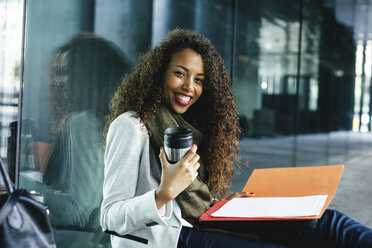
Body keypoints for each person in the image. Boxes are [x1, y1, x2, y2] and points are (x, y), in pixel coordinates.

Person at [100, 29, 372, 248]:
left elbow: (194, 202)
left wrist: (221, 206)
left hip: (202, 222)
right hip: (165, 239)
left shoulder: (193, 128)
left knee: (327, 223)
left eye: (199, 79)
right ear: (159, 73)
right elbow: (110, 216)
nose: (189, 87)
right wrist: (163, 194)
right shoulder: (131, 126)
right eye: (180, 73)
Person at [20, 32, 131, 247]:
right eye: (57, 73)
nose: (58, 82)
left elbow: (77, 212)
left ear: (89, 76)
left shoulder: (84, 123)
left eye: (67, 72)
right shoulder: (109, 121)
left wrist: (19, 182)